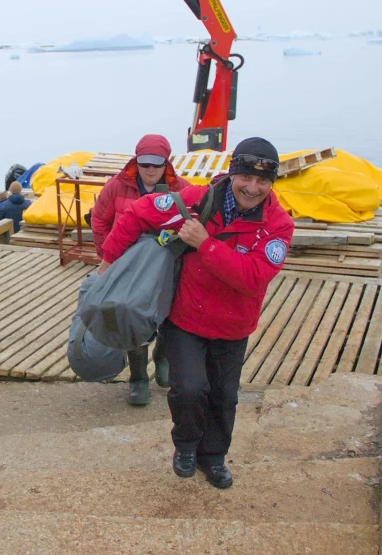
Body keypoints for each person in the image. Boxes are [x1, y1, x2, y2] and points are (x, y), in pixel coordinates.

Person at [98, 137, 293, 488]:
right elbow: (138, 212)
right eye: (246, 177)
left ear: (272, 183)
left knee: (224, 396)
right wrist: (108, 262)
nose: (253, 187)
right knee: (188, 389)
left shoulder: (278, 226)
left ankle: (214, 457)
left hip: (234, 327)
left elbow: (252, 278)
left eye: (263, 181)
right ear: (232, 173)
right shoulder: (195, 201)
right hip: (186, 318)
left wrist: (205, 243)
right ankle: (186, 447)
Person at [90, 134, 190, 406]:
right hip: (128, 265)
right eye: (144, 163)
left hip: (167, 264)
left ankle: (163, 359)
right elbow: (99, 219)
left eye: (156, 164)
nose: (150, 169)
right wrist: (106, 254)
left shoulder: (181, 189)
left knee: (170, 314)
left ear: (166, 164)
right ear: (136, 162)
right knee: (130, 314)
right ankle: (138, 378)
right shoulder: (116, 186)